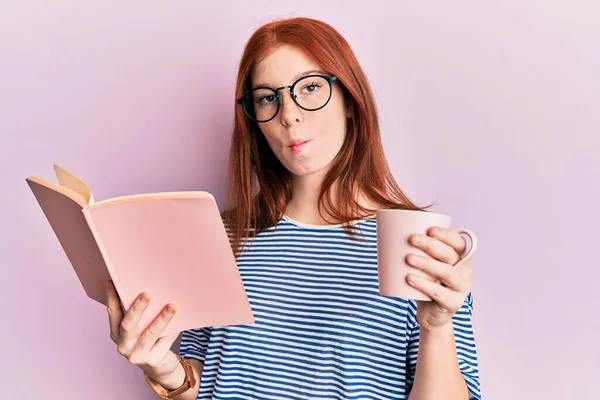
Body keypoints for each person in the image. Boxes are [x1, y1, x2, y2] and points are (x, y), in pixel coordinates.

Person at [105, 17, 481, 400]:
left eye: (311, 87)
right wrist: (163, 368)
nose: (289, 114)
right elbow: (205, 381)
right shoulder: (222, 234)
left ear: (350, 100)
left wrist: (436, 327)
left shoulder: (414, 244)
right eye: (268, 97)